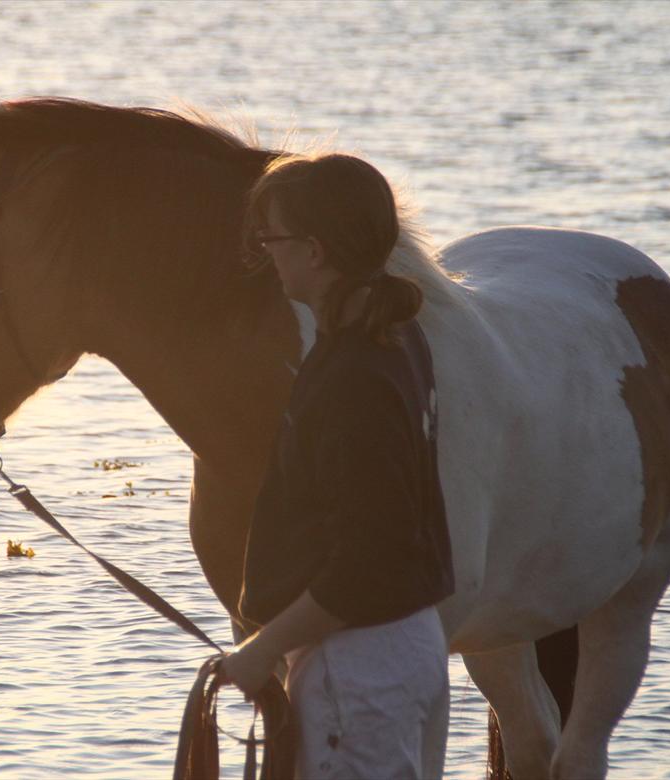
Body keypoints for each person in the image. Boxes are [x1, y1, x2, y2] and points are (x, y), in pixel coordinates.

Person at [219, 153, 455, 779]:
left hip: (359, 669)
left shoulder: (354, 374)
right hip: (409, 648)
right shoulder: (396, 338)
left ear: (314, 251)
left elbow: (364, 565)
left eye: (273, 238)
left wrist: (261, 649)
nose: (267, 253)